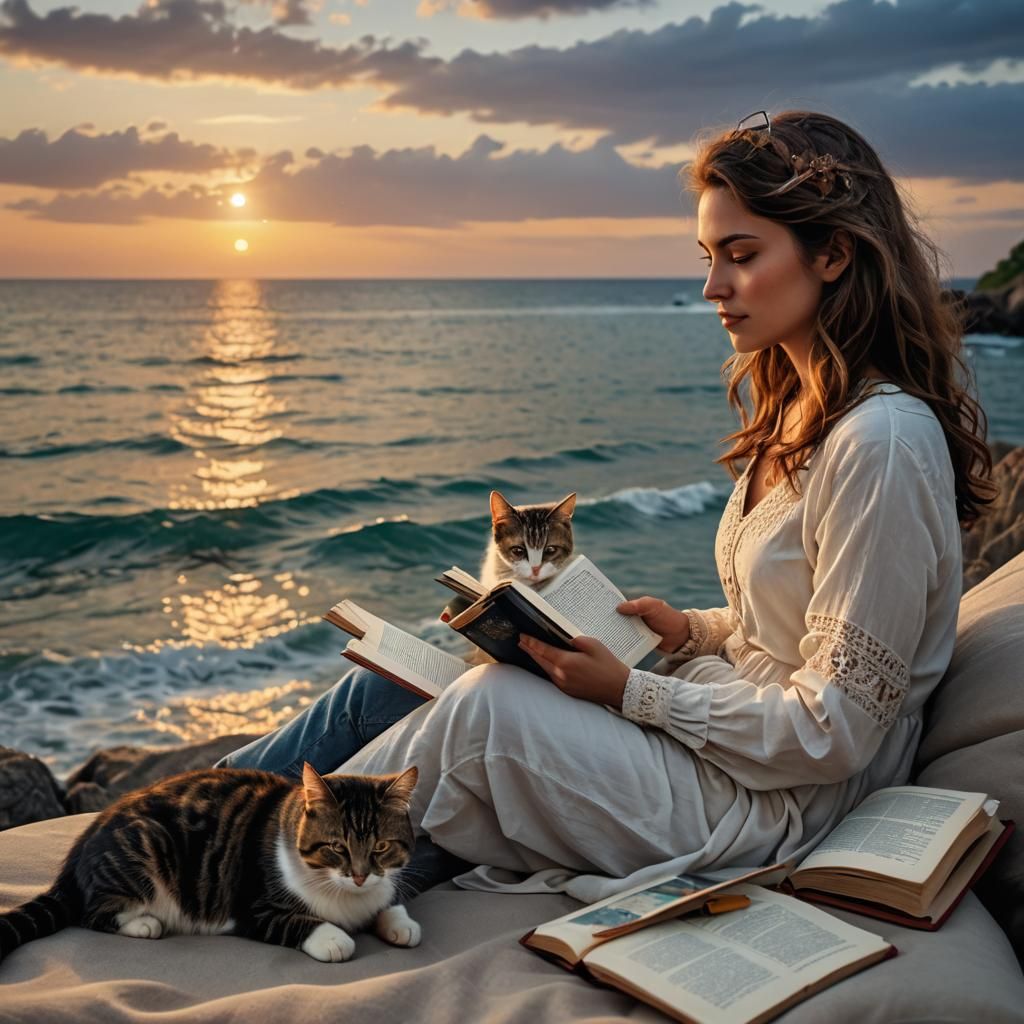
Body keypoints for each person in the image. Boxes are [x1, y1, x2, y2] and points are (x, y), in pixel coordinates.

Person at [217, 110, 994, 904]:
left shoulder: (883, 443)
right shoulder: (802, 413)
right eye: (708, 256)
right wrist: (692, 629)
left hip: (780, 803)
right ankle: (213, 813)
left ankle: (238, 865)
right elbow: (792, 624)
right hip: (739, 738)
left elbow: (835, 731)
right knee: (406, 678)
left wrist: (631, 691)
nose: (711, 286)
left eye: (742, 255)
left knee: (488, 706)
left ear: (832, 253)